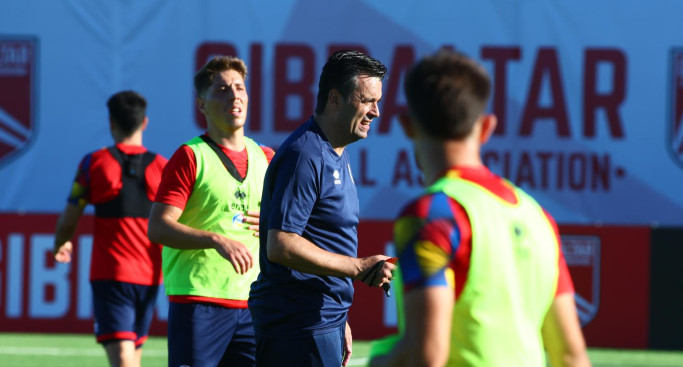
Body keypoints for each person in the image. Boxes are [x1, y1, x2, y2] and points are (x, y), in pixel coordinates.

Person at [368, 50, 591, 367]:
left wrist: (378, 361)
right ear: (486, 127)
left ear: (406, 125)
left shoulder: (433, 214)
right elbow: (572, 356)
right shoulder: (538, 217)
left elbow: (427, 354)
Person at [248, 49, 395, 367]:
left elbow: (321, 237)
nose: (376, 112)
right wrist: (358, 268)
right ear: (335, 99)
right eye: (368, 100)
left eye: (378, 101)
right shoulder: (305, 155)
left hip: (320, 321)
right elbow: (281, 244)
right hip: (297, 327)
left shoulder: (335, 152)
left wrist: (338, 316)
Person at [147, 55, 274, 367]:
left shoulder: (267, 157)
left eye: (239, 88)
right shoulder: (191, 156)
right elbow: (158, 227)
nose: (234, 95)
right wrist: (216, 239)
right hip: (197, 302)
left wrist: (275, 222)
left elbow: (290, 229)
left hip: (253, 303)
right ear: (201, 105)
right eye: (221, 90)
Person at [53, 90, 168, 367]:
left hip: (111, 276)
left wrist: (61, 243)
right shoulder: (163, 167)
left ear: (111, 123)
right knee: (132, 357)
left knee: (124, 362)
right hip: (152, 277)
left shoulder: (93, 163)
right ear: (145, 123)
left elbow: (70, 219)